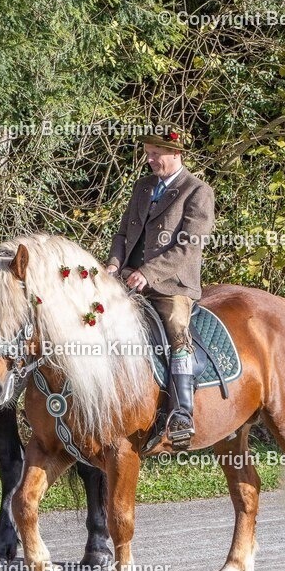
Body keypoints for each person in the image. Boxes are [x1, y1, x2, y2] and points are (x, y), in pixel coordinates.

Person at [106, 130, 215, 450]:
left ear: (175, 154)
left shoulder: (197, 191)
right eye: (148, 153)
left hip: (172, 286)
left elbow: (189, 247)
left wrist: (148, 274)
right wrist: (113, 265)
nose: (150, 159)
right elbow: (123, 233)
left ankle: (182, 412)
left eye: (155, 154)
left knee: (177, 333)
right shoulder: (142, 187)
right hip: (128, 278)